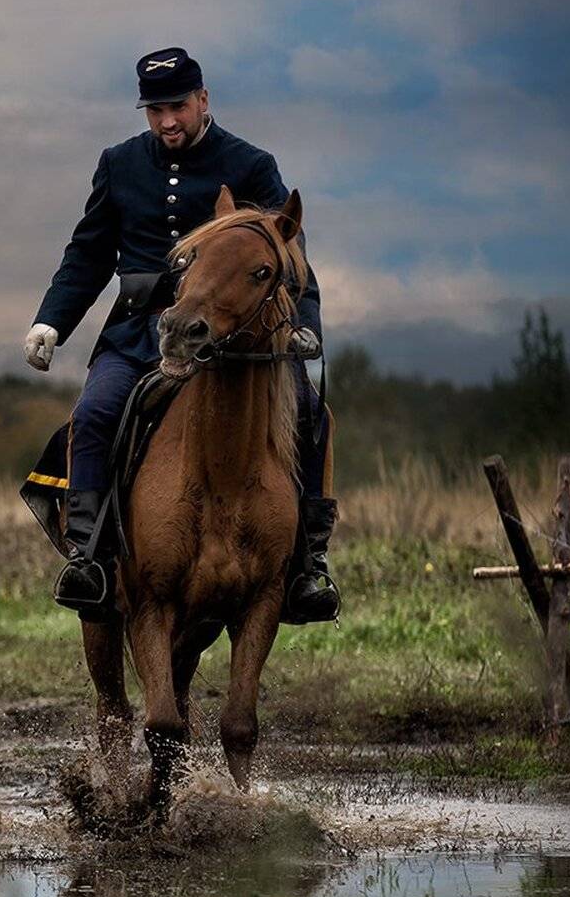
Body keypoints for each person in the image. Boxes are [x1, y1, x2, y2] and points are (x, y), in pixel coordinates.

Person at [24, 47, 339, 621]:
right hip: (138, 332)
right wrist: (52, 319)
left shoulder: (250, 164)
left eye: (177, 107)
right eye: (154, 110)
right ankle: (88, 557)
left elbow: (291, 259)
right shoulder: (119, 163)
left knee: (312, 414)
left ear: (203, 100)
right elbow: (89, 253)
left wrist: (305, 328)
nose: (167, 121)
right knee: (93, 414)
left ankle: (309, 566)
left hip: (234, 339)